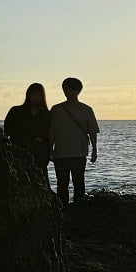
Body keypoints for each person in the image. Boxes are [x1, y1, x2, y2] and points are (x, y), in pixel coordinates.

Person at [50, 77, 100, 205]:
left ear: (78, 90)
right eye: (65, 88)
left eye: (70, 89)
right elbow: (52, 131)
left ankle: (79, 209)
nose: (67, 91)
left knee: (79, 183)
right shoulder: (56, 109)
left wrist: (94, 150)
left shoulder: (86, 109)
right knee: (62, 184)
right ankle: (63, 209)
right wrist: (50, 148)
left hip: (79, 153)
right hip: (60, 153)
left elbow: (92, 132)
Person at [4, 83, 52, 182]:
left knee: (42, 181)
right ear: (28, 95)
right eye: (34, 94)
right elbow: (7, 130)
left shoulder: (46, 114)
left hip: (40, 153)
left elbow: (49, 133)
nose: (36, 97)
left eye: (39, 95)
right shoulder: (16, 111)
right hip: (19, 151)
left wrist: (48, 150)